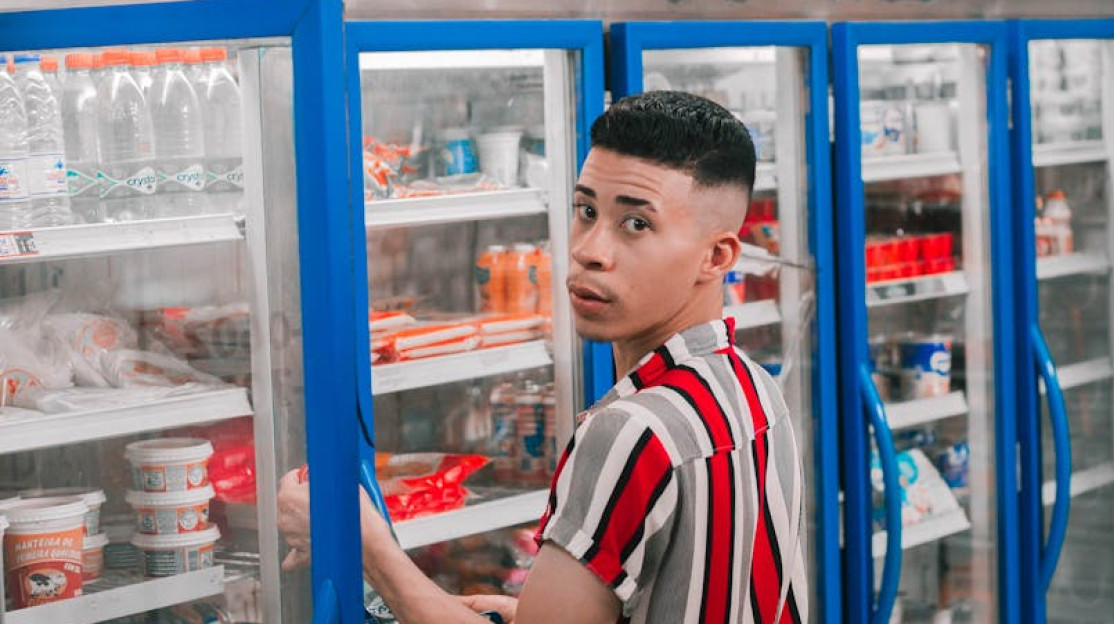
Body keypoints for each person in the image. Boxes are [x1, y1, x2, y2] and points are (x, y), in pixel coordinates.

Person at [277, 90, 807, 624]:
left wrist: (366, 544)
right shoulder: (757, 391)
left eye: (636, 224)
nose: (588, 249)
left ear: (717, 257)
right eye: (586, 211)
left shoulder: (630, 433)